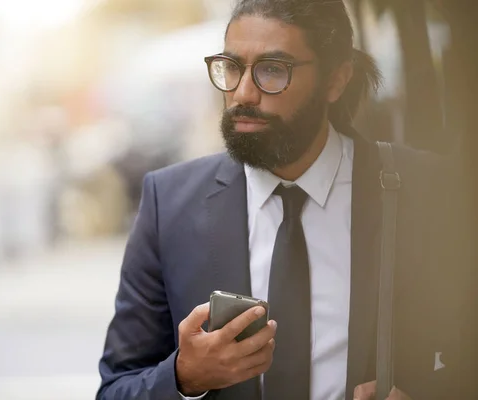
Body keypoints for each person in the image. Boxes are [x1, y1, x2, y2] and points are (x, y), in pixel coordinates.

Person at [96, 0, 476, 399]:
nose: (243, 93)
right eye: (231, 66)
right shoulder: (169, 203)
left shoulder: (430, 191)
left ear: (336, 80)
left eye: (272, 70)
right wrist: (183, 376)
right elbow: (117, 387)